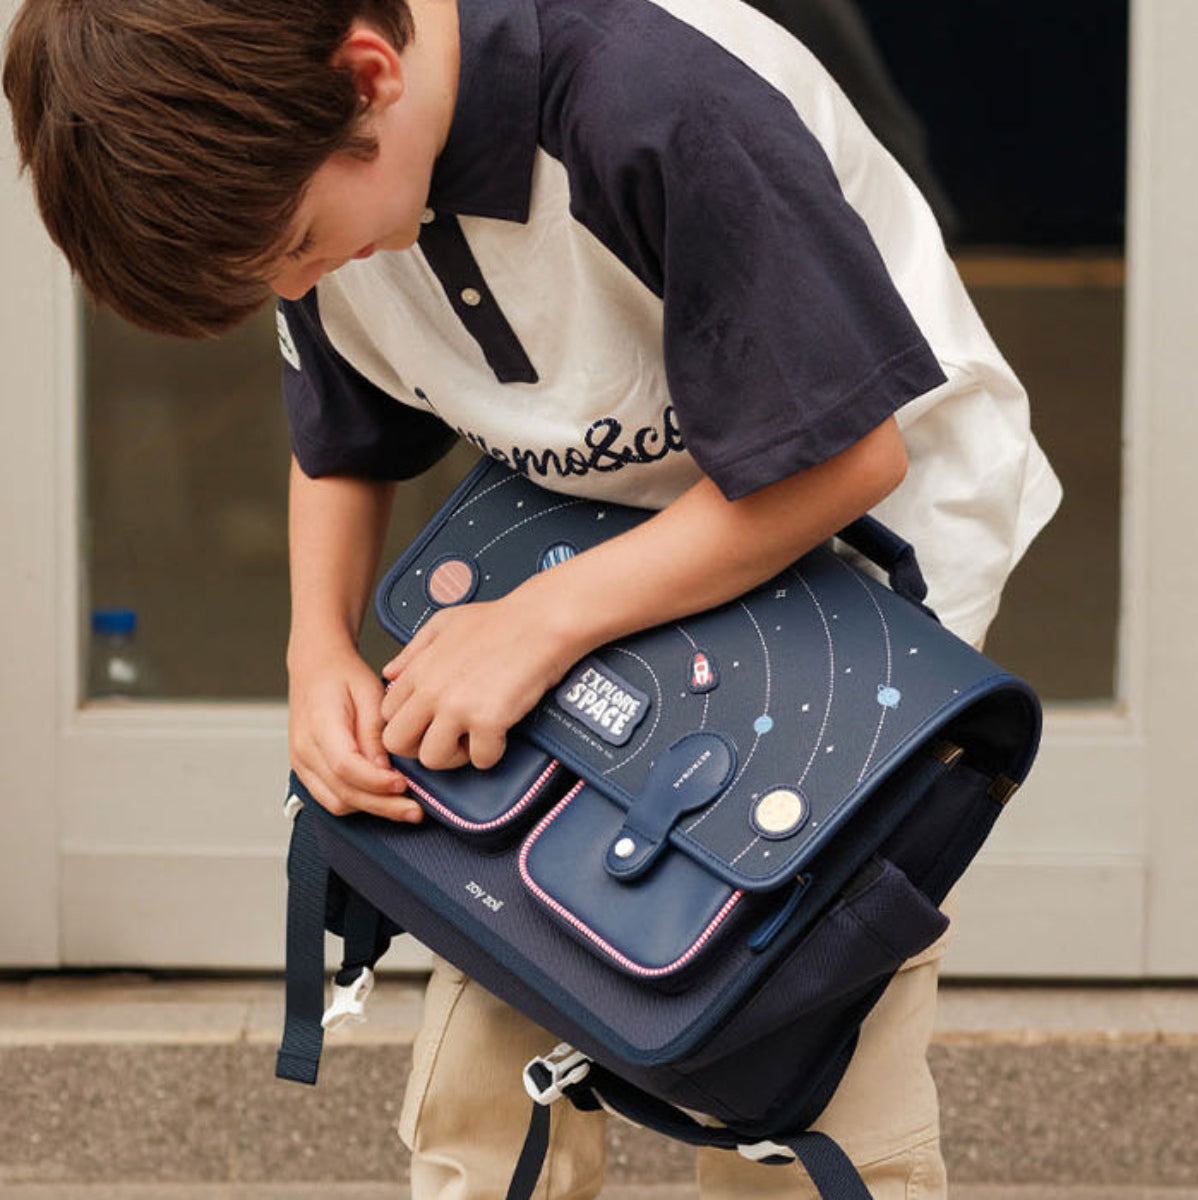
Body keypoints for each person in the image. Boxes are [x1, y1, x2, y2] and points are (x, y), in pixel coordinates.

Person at [4, 0, 1061, 1195]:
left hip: (856, 561)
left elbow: (846, 461)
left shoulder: (660, 99)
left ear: (367, 75)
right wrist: (316, 651)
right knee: (498, 989)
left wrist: (540, 626)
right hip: (591, 546)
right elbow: (344, 439)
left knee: (788, 1026)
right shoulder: (312, 145)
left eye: (301, 245)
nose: (300, 283)